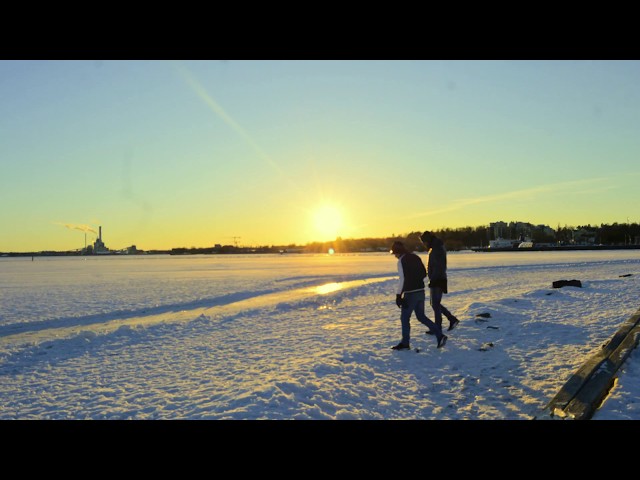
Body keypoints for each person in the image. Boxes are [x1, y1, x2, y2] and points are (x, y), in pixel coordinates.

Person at [390, 241, 447, 350]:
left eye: (395, 254)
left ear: (398, 252)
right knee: (421, 316)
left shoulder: (401, 261)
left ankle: (405, 343)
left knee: (405, 318)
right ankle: (440, 335)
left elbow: (402, 279)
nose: (395, 256)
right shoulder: (415, 257)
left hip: (410, 294)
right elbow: (423, 273)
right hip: (421, 291)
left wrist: (398, 295)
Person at [419, 231, 460, 334]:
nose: (424, 244)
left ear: (427, 240)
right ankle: (450, 320)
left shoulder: (437, 249)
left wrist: (433, 278)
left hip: (437, 280)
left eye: (424, 242)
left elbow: (439, 266)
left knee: (435, 304)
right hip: (437, 279)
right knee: (435, 304)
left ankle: (440, 326)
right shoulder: (436, 247)